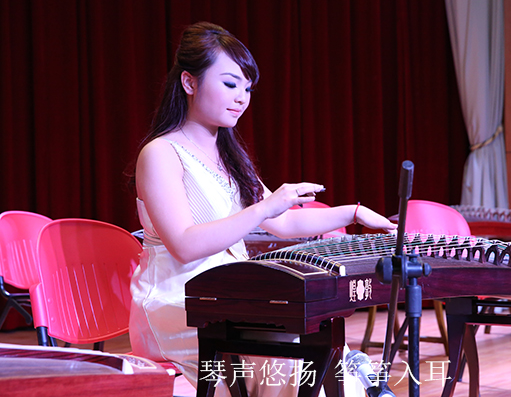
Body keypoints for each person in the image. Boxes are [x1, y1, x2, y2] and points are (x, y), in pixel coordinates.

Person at [129, 21, 397, 396]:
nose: (241, 98)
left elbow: (283, 222)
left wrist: (353, 213)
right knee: (288, 350)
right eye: (230, 84)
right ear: (189, 82)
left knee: (310, 336)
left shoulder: (227, 155)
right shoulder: (160, 153)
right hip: (178, 301)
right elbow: (184, 245)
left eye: (247, 88)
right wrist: (264, 208)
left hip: (229, 295)